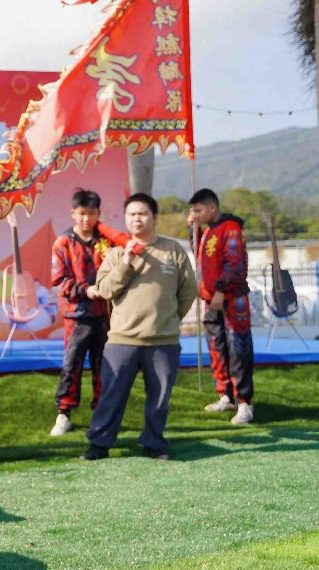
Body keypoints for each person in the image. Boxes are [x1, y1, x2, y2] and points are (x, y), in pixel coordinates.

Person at [82, 193, 196, 461]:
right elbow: (104, 290)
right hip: (122, 340)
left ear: (154, 217)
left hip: (163, 340)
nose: (137, 219)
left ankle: (154, 443)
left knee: (159, 398)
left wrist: (169, 318)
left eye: (142, 213)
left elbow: (188, 291)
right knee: (111, 394)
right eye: (131, 214)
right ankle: (99, 444)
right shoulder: (115, 253)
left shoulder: (172, 250)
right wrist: (127, 261)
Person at [48, 189, 128, 436]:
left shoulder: (106, 239)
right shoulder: (63, 242)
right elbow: (59, 281)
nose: (86, 219)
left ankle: (102, 413)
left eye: (92, 214)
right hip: (76, 316)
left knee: (104, 366)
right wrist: (86, 290)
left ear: (98, 214)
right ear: (73, 213)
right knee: (71, 365)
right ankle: (64, 413)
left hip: (104, 315)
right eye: (82, 213)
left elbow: (124, 256)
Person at [188, 188, 255, 425]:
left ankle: (244, 401)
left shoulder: (230, 229)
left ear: (212, 208)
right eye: (192, 211)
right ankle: (225, 395)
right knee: (217, 347)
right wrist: (192, 228)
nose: (194, 214)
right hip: (211, 300)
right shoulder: (207, 231)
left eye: (198, 210)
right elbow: (198, 253)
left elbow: (234, 263)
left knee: (238, 349)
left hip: (231, 298)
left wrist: (220, 290)